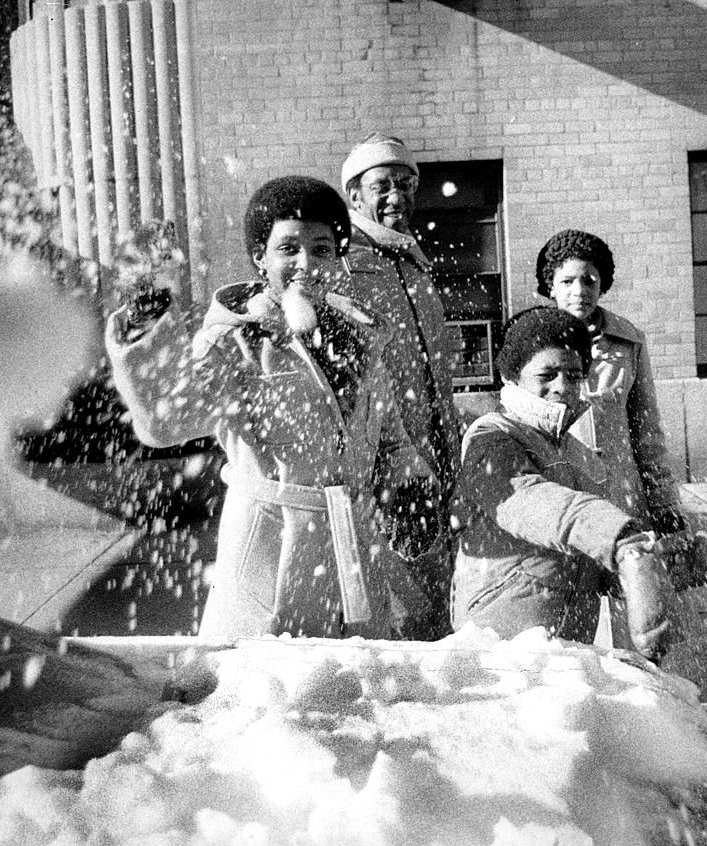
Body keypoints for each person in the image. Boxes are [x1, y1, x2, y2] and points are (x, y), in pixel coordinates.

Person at [105, 176, 434, 641]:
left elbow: (389, 436)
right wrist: (145, 320)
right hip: (272, 549)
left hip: (351, 551)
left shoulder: (361, 336)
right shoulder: (236, 340)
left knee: (356, 697)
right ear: (260, 257)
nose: (306, 264)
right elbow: (164, 421)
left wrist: (408, 482)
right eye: (288, 249)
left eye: (322, 249)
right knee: (268, 697)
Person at [451, 306, 675, 663]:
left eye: (573, 375)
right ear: (512, 376)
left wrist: (663, 562)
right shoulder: (491, 436)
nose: (561, 387)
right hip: (499, 645)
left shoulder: (574, 451)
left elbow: (587, 563)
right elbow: (529, 501)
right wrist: (617, 535)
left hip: (562, 649)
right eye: (547, 373)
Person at [535, 229, 707, 596]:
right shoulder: (534, 341)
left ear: (602, 283)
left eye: (589, 279)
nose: (579, 291)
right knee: (570, 620)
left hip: (623, 495)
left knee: (634, 610)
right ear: (551, 287)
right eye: (567, 281)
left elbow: (647, 431)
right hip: (564, 498)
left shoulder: (628, 341)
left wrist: (664, 503)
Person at [340, 133, 461, 639]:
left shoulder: (411, 258)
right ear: (354, 195)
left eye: (407, 185)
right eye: (383, 185)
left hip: (438, 446)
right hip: (390, 454)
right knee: (400, 596)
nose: (397, 196)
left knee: (440, 583)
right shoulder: (345, 259)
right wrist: (397, 452)